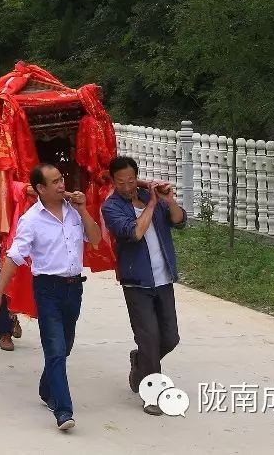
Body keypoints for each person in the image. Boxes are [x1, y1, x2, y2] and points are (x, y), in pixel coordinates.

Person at [0, 163, 102, 433]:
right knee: (55, 348)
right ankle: (63, 410)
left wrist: (83, 209)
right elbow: (15, 257)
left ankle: (47, 388)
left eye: (62, 179)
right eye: (55, 182)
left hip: (74, 288)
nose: (62, 185)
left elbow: (95, 238)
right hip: (47, 289)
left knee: (65, 345)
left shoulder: (74, 212)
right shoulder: (31, 219)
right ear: (40, 189)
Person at [101, 156, 187, 415]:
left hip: (163, 280)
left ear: (136, 176)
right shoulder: (111, 207)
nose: (127, 186)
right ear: (113, 182)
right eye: (121, 182)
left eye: (131, 180)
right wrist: (151, 202)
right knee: (149, 339)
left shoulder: (154, 197)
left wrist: (168, 200)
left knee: (170, 337)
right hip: (136, 283)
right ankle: (153, 394)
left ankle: (140, 363)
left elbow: (180, 222)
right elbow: (135, 232)